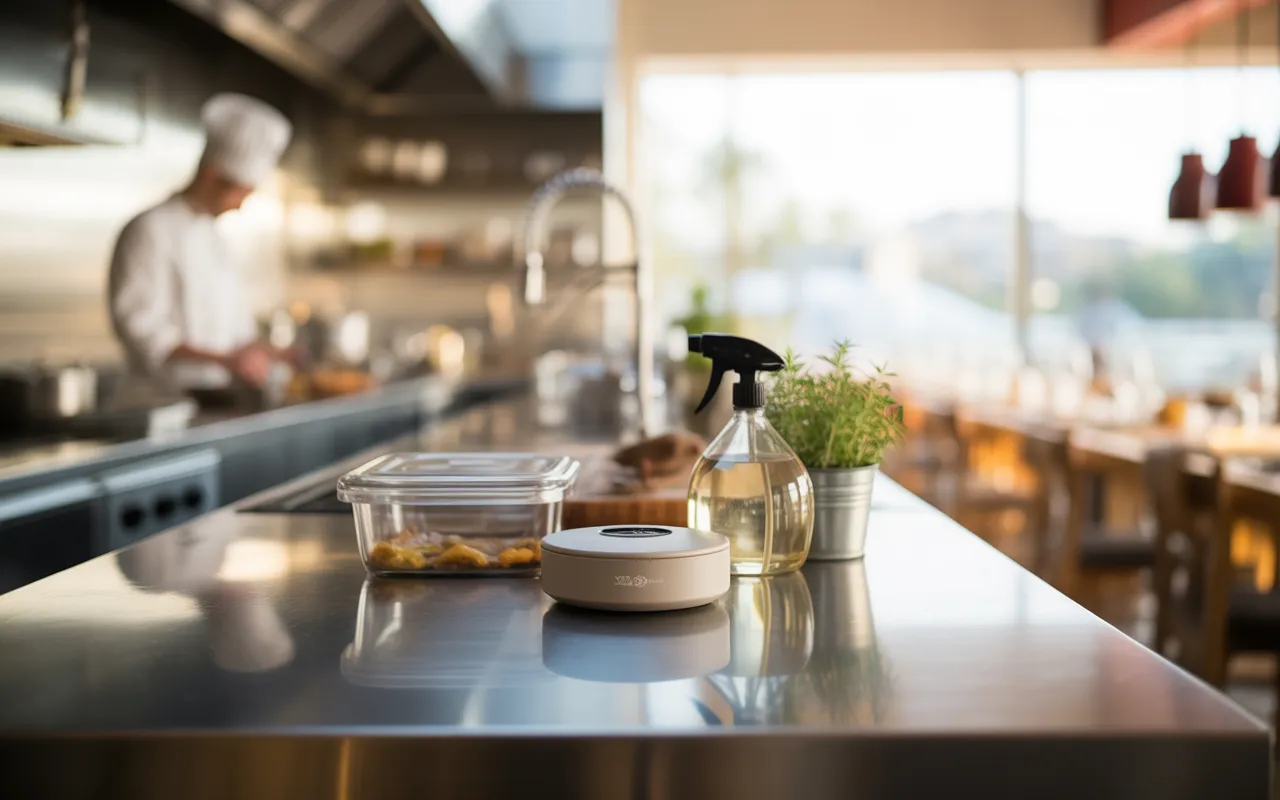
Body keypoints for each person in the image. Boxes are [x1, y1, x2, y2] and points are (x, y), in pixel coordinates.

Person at [108, 93, 292, 393]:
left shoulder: (214, 238)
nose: (240, 206)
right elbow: (142, 332)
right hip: (160, 401)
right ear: (211, 176)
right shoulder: (149, 230)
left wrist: (270, 352)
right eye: (240, 194)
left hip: (216, 404)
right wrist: (227, 360)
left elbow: (233, 333)